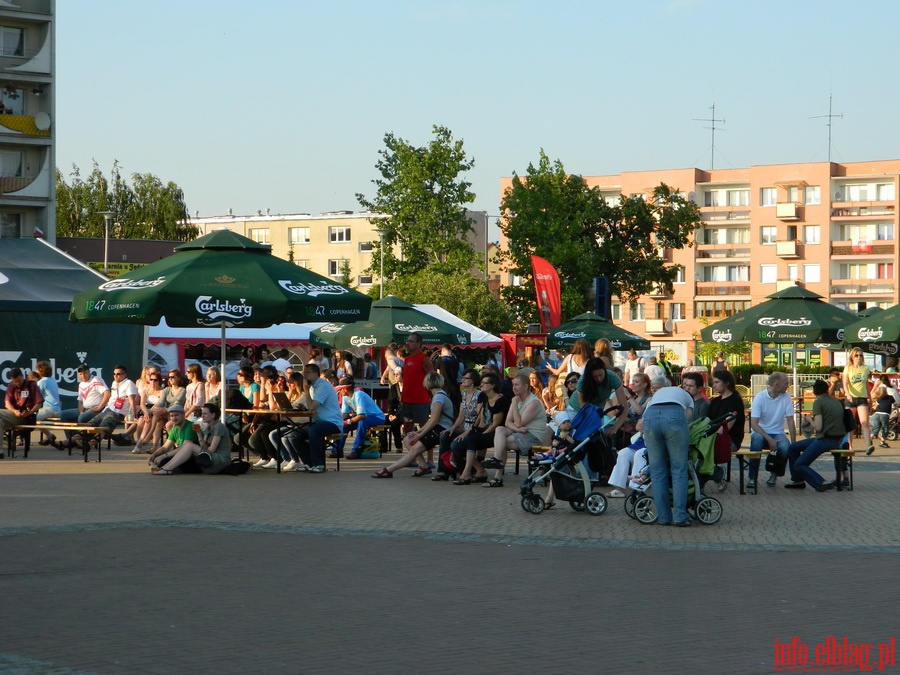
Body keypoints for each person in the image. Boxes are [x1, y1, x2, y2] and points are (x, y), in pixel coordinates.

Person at [372, 372, 454, 478]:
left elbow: (433, 421)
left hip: (442, 429)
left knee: (414, 448)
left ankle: (389, 470)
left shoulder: (438, 398)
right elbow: (432, 421)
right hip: (438, 428)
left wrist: (419, 434)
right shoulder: (440, 395)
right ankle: (423, 465)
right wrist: (417, 432)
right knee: (407, 439)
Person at [642, 376, 695, 527]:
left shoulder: (655, 396)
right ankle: (680, 516)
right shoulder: (687, 397)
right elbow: (686, 419)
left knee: (657, 471)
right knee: (679, 469)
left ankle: (663, 517)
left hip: (650, 416)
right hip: (674, 415)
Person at [480, 373, 548, 487]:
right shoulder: (515, 400)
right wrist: (517, 428)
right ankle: (497, 459)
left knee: (501, 443)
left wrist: (515, 405)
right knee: (500, 429)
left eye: (517, 385)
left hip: (533, 436)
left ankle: (498, 477)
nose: (514, 388)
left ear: (526, 386)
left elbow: (519, 422)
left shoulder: (533, 402)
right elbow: (507, 422)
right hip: (520, 432)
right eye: (513, 385)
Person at [783, 379, 847, 492]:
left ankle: (820, 482)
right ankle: (798, 480)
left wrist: (809, 419)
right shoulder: (837, 401)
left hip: (824, 439)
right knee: (793, 448)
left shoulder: (818, 403)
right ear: (827, 390)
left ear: (814, 392)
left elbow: (818, 427)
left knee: (799, 464)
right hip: (838, 438)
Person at [454, 372, 510, 485]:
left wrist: (481, 434)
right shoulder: (483, 397)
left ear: (492, 385)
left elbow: (495, 424)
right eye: (481, 383)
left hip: (497, 433)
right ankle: (479, 471)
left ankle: (466, 474)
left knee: (471, 439)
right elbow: (480, 418)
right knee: (457, 443)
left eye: (484, 383)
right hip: (485, 429)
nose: (481, 385)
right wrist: (471, 430)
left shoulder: (501, 400)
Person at [433, 368, 484, 481]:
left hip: (474, 429)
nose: (463, 380)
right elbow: (461, 415)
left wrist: (467, 431)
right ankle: (444, 470)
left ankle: (463, 471)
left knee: (456, 444)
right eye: (463, 377)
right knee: (444, 436)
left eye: (466, 378)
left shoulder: (479, 394)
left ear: (473, 380)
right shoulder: (464, 393)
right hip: (464, 427)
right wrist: (453, 428)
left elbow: (479, 418)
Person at [292, 363, 343, 473]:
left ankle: (319, 464)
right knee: (294, 435)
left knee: (314, 430)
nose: (304, 375)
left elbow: (312, 407)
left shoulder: (323, 386)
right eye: (303, 372)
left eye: (307, 372)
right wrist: (304, 407)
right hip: (318, 421)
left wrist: (305, 389)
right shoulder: (312, 388)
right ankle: (308, 463)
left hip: (332, 423)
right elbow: (311, 407)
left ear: (316, 374)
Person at [748, 371, 796, 489]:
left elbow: (790, 420)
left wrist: (794, 443)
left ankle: (775, 473)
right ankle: (752, 477)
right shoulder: (760, 397)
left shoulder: (786, 397)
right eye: (786, 383)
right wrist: (769, 439)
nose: (788, 386)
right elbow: (754, 424)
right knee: (756, 439)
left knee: (785, 447)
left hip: (778, 433)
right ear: (776, 384)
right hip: (761, 431)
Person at [54, 366, 110, 450]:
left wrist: (99, 407)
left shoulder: (96, 380)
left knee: (82, 417)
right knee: (64, 414)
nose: (83, 376)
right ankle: (72, 442)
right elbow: (80, 401)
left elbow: (107, 393)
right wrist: (81, 411)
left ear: (89, 372)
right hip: (85, 409)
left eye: (85, 373)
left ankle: (80, 441)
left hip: (96, 410)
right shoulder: (81, 384)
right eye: (80, 374)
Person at [707, 369, 745, 492]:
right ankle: (710, 476)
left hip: (730, 440)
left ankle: (717, 475)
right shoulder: (715, 401)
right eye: (714, 382)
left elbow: (727, 426)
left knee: (705, 450)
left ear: (727, 383)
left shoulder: (735, 400)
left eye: (717, 382)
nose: (714, 385)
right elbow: (708, 421)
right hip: (713, 438)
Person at [83, 365, 139, 441]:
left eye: (118, 374)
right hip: (108, 409)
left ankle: (89, 444)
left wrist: (134, 415)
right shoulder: (114, 383)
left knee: (103, 426)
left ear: (124, 375)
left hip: (118, 412)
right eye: (114, 374)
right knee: (91, 423)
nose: (116, 376)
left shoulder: (129, 383)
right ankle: (70, 442)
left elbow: (132, 400)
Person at [340, 377, 387, 460]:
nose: (339, 391)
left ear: (345, 389)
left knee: (362, 422)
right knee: (343, 426)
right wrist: (341, 422)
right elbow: (344, 414)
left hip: (377, 417)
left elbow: (362, 415)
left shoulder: (358, 395)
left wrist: (348, 421)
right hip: (364, 417)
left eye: (340, 389)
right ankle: (337, 450)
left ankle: (356, 450)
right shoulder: (345, 397)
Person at [147, 404, 200, 474]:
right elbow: (165, 447)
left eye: (176, 415)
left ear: (183, 415)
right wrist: (154, 455)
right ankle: (165, 469)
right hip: (180, 454)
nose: (174, 418)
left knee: (163, 460)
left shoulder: (190, 426)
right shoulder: (175, 428)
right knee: (156, 460)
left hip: (192, 457)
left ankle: (171, 469)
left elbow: (185, 448)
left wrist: (163, 456)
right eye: (171, 416)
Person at [398, 332, 434, 435]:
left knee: (424, 430)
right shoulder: (407, 359)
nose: (407, 343)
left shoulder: (424, 358)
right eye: (407, 341)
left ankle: (429, 451)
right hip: (407, 400)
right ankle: (414, 451)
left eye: (411, 341)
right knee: (408, 431)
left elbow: (432, 378)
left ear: (419, 344)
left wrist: (432, 395)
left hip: (421, 400)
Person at [843, 347, 873, 455]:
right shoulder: (848, 368)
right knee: (851, 424)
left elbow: (866, 384)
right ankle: (850, 445)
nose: (858, 357)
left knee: (864, 422)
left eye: (860, 355)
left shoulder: (865, 368)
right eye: (856, 355)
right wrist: (848, 394)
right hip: (851, 397)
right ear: (852, 356)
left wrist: (870, 398)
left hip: (862, 398)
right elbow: (845, 383)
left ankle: (868, 445)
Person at [1, 368, 42, 446]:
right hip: (14, 414)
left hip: (27, 417)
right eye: (15, 381)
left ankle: (8, 441)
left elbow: (39, 403)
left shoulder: (31, 385)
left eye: (19, 381)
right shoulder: (11, 386)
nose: (17, 383)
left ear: (23, 376)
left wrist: (30, 412)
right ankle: (1, 449)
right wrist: (14, 411)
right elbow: (7, 403)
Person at [131, 369, 165, 454]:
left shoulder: (162, 391)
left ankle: (139, 444)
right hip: (146, 410)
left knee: (147, 420)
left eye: (155, 380)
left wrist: (149, 412)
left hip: (156, 411)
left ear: (159, 381)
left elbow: (158, 404)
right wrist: (146, 412)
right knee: (142, 419)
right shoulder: (145, 390)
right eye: (151, 379)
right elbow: (142, 404)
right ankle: (140, 441)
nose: (153, 382)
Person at [870, 374, 893, 449]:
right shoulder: (890, 398)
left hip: (877, 413)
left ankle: (871, 437)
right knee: (885, 428)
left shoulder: (879, 399)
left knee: (877, 426)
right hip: (885, 414)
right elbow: (895, 404)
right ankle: (882, 441)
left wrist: (872, 408)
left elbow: (875, 406)